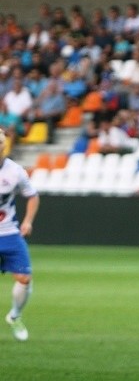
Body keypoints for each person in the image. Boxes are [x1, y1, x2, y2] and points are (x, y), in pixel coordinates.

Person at [0, 127, 39, 341]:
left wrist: (27, 221)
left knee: (25, 277)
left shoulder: (15, 171)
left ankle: (15, 316)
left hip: (8, 232)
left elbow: (32, 196)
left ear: (4, 145)